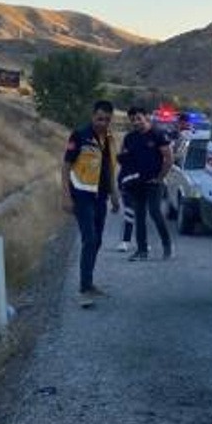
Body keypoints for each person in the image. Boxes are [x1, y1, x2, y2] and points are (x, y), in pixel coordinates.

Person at [61, 100, 120, 304]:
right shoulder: (79, 135)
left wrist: (114, 194)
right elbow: (66, 166)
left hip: (100, 196)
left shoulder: (110, 139)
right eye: (99, 118)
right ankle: (84, 289)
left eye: (107, 119)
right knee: (89, 239)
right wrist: (66, 195)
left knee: (98, 240)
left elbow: (110, 168)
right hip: (82, 195)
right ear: (92, 115)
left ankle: (88, 282)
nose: (102, 123)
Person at [120, 106, 174, 261]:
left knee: (155, 212)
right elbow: (125, 158)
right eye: (133, 120)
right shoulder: (130, 137)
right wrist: (125, 178)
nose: (136, 122)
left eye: (138, 118)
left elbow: (168, 158)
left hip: (154, 183)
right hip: (136, 183)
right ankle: (142, 250)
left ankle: (167, 246)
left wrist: (159, 178)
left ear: (146, 117)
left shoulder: (158, 134)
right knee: (140, 216)